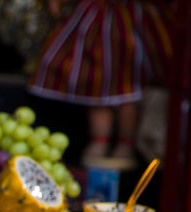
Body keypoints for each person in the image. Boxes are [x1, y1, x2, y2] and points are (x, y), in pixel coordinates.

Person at [27, 0, 171, 170]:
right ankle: (100, 141)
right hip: (96, 24)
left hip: (128, 26)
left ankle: (125, 144)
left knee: (128, 89)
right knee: (96, 87)